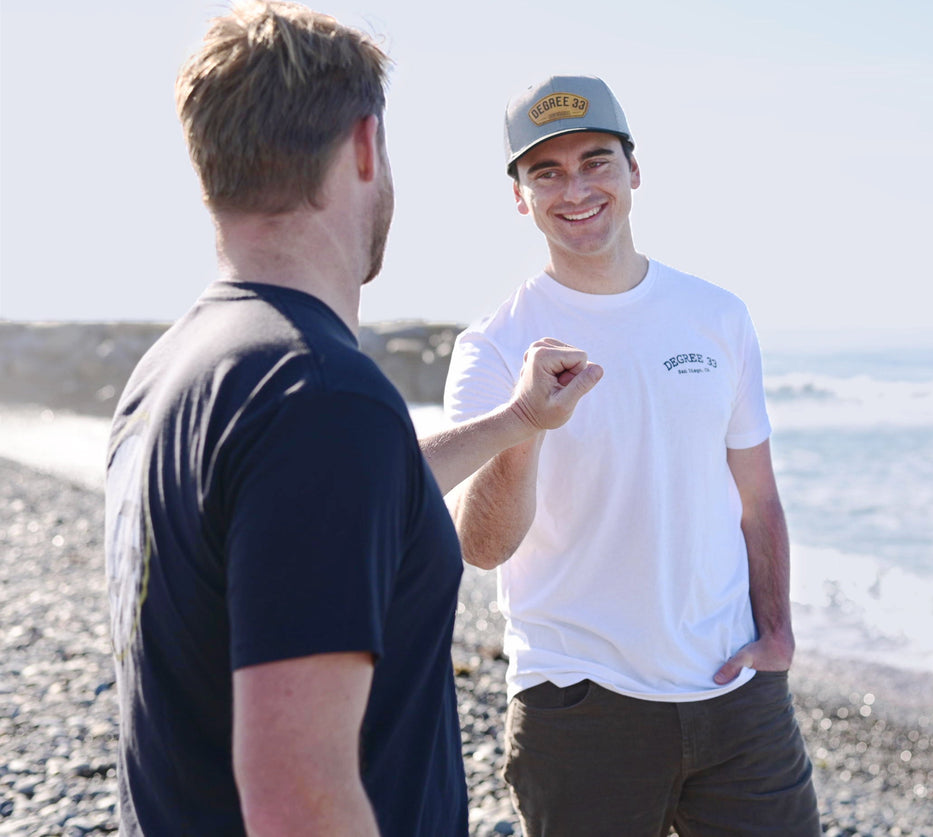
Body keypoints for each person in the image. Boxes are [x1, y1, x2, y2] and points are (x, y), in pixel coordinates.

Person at [104, 7, 601, 836]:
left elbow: (342, 501)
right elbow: (299, 797)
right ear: (366, 145)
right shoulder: (320, 397)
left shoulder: (179, 369)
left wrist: (514, 422)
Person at [443, 74, 820, 835]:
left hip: (736, 696)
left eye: (596, 160)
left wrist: (775, 634)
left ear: (634, 170)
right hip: (580, 705)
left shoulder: (716, 315)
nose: (575, 188)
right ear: (520, 196)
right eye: (545, 171)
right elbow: (482, 547)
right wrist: (526, 423)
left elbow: (758, 498)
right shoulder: (494, 347)